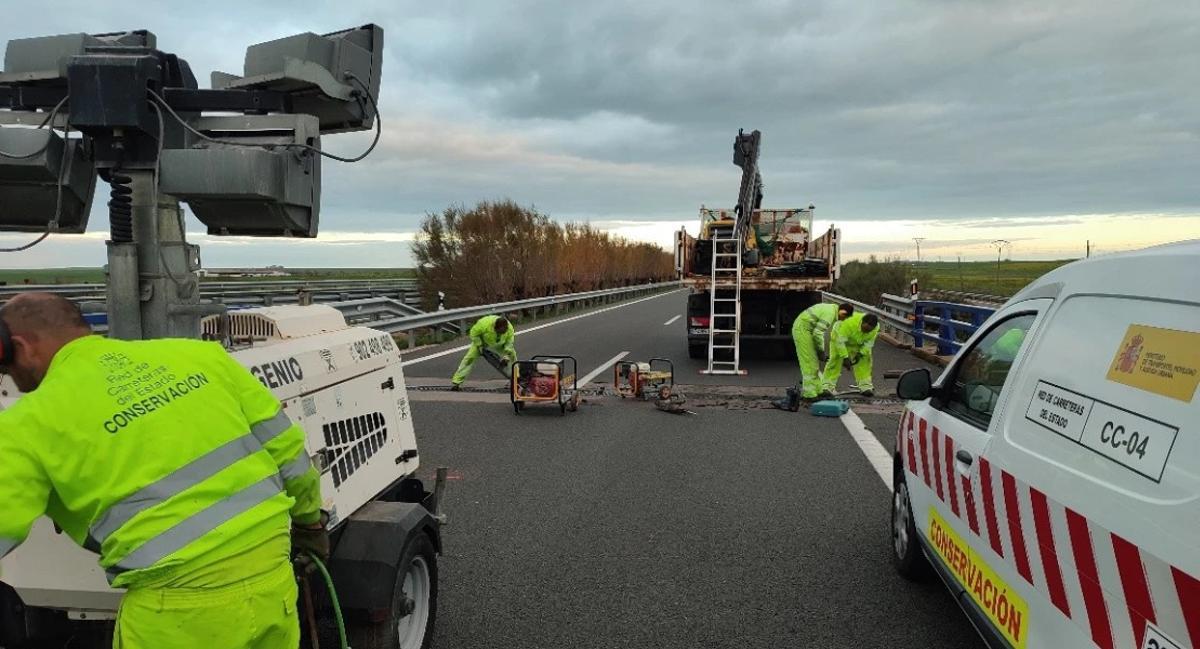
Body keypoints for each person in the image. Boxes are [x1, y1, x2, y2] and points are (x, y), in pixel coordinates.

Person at [0, 293, 326, 648]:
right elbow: (289, 452)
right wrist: (310, 522)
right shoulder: (200, 357)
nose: (10, 379)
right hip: (270, 582)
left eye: (6, 367)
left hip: (175, 613)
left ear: (20, 346)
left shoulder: (27, 423)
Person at [779, 302, 853, 409]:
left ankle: (818, 390)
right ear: (843, 312)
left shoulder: (832, 310)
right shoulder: (830, 314)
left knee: (814, 363)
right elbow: (818, 333)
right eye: (844, 317)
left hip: (808, 330)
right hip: (803, 330)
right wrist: (821, 351)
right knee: (808, 362)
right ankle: (809, 395)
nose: (843, 320)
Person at [820, 313, 880, 397]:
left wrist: (860, 354)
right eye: (864, 329)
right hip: (839, 339)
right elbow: (840, 342)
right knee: (835, 361)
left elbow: (869, 343)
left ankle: (865, 387)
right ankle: (826, 386)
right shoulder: (848, 323)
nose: (865, 332)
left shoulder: (876, 328)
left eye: (868, 331)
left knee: (865, 360)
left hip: (857, 342)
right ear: (861, 322)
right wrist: (845, 357)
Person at [450, 315, 516, 390]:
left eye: (503, 332)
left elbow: (509, 343)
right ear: (495, 327)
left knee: (512, 357)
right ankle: (457, 382)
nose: (501, 333)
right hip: (482, 342)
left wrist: (506, 356)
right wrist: (479, 345)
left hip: (500, 343)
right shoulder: (483, 324)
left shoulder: (510, 329)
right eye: (499, 332)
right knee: (469, 359)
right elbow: (473, 334)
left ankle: (516, 379)